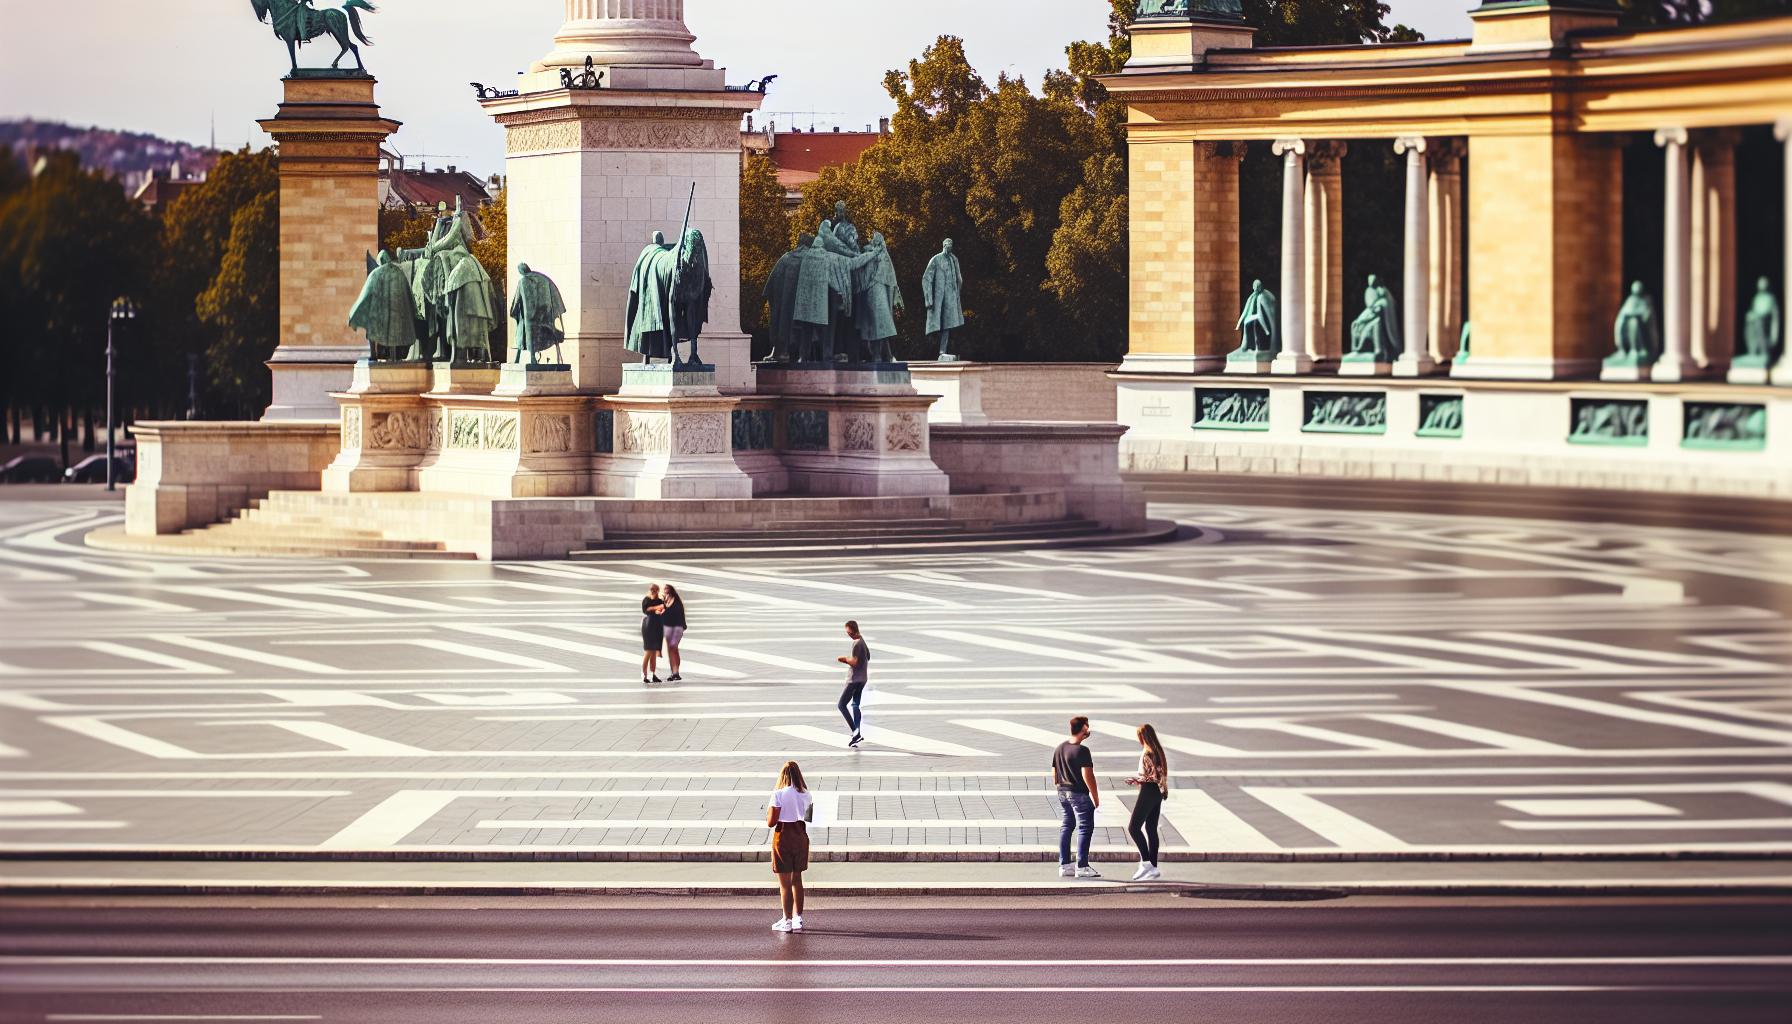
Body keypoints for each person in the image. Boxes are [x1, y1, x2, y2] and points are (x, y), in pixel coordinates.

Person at [768, 760, 813, 933]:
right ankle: (797, 919)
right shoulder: (807, 794)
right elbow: (808, 818)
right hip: (800, 837)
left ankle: (786, 921)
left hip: (783, 837)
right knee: (797, 880)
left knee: (785, 884)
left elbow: (771, 822)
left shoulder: (778, 794)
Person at [1053, 716, 1101, 879]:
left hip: (1062, 791)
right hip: (1078, 793)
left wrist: (1060, 788)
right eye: (1087, 727)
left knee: (1067, 825)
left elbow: (1054, 773)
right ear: (1083, 729)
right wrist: (1095, 798)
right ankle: (1082, 866)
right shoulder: (1082, 751)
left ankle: (1065, 865)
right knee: (1085, 827)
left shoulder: (1060, 748)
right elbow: (1088, 776)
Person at [1124, 724, 1169, 881]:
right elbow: (1159, 776)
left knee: (1133, 827)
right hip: (1157, 792)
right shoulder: (1157, 751)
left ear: (1143, 737)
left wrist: (1137, 780)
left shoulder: (1148, 752)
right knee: (1150, 828)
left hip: (1149, 791)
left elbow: (1154, 776)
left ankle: (1146, 863)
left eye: (1139, 736)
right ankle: (1153, 868)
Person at [836, 620, 870, 747]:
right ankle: (857, 733)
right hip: (863, 679)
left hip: (854, 680)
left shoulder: (856, 643)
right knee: (855, 704)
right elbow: (868, 656)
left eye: (849, 632)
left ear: (853, 630)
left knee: (841, 705)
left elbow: (854, 662)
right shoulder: (862, 640)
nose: (848, 634)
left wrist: (844, 659)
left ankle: (856, 732)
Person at [660, 584, 686, 683]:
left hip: (677, 628)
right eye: (664, 589)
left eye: (666, 588)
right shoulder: (664, 602)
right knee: (670, 650)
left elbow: (680, 614)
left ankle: (676, 672)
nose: (665, 590)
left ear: (671, 589)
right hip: (667, 628)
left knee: (674, 648)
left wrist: (683, 626)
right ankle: (673, 672)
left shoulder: (676, 602)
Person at [640, 584, 665, 685]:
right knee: (649, 651)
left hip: (657, 626)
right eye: (651, 589)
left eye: (655, 589)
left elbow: (662, 610)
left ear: (658, 590)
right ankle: (644, 674)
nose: (653, 591)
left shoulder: (660, 601)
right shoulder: (646, 600)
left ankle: (653, 674)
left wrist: (660, 609)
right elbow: (646, 610)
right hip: (648, 626)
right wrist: (657, 608)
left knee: (654, 652)